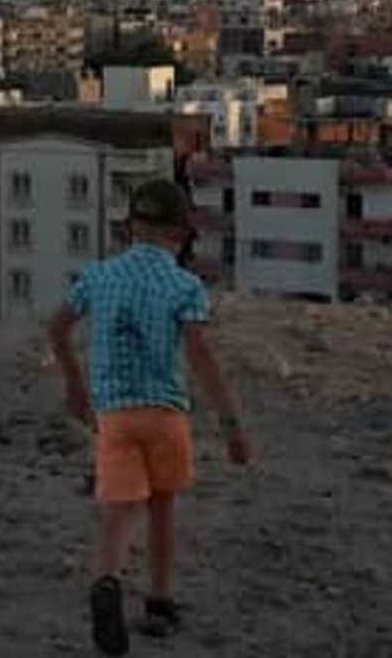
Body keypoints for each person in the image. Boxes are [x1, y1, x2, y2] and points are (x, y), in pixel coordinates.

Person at [46, 178, 250, 655]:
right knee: (162, 508)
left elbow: (58, 328)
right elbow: (200, 356)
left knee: (118, 511)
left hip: (114, 417)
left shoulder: (99, 276)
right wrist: (231, 425)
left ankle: (107, 580)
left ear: (130, 227)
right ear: (181, 233)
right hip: (166, 415)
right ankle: (160, 602)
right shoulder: (185, 285)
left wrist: (74, 383)